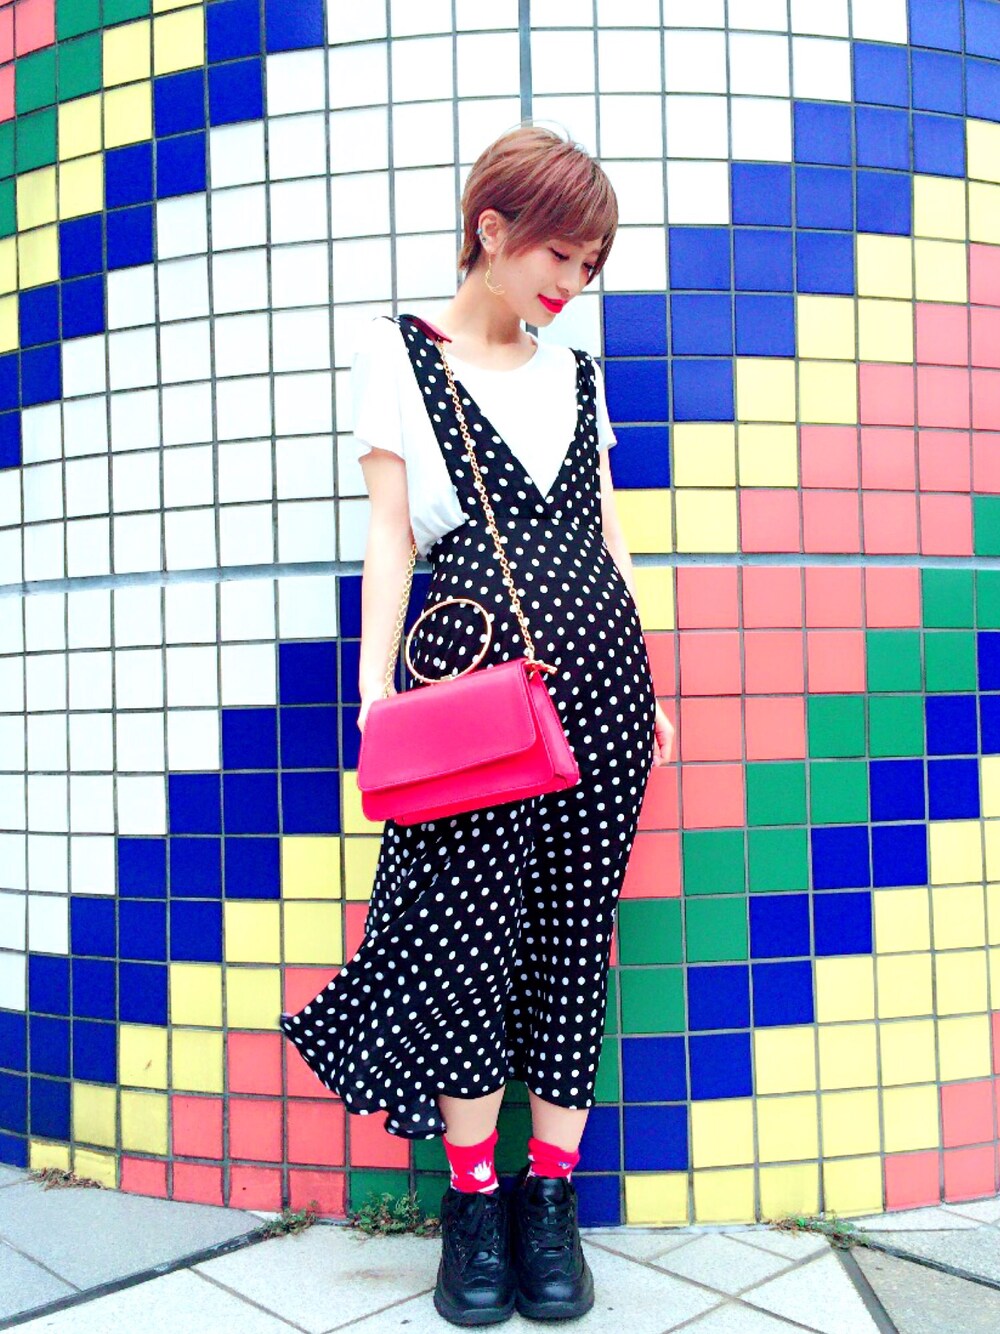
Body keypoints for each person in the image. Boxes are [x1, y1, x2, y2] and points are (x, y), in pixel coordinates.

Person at [279, 123, 674, 1327]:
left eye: (590, 264)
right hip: (467, 699)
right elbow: (390, 532)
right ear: (490, 229)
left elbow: (605, 533)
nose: (572, 281)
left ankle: (547, 1198)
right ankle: (471, 1197)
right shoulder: (399, 352)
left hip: (601, 691)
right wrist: (373, 697)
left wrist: (649, 682)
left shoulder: (578, 370)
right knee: (464, 944)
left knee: (571, 938)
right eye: (560, 253)